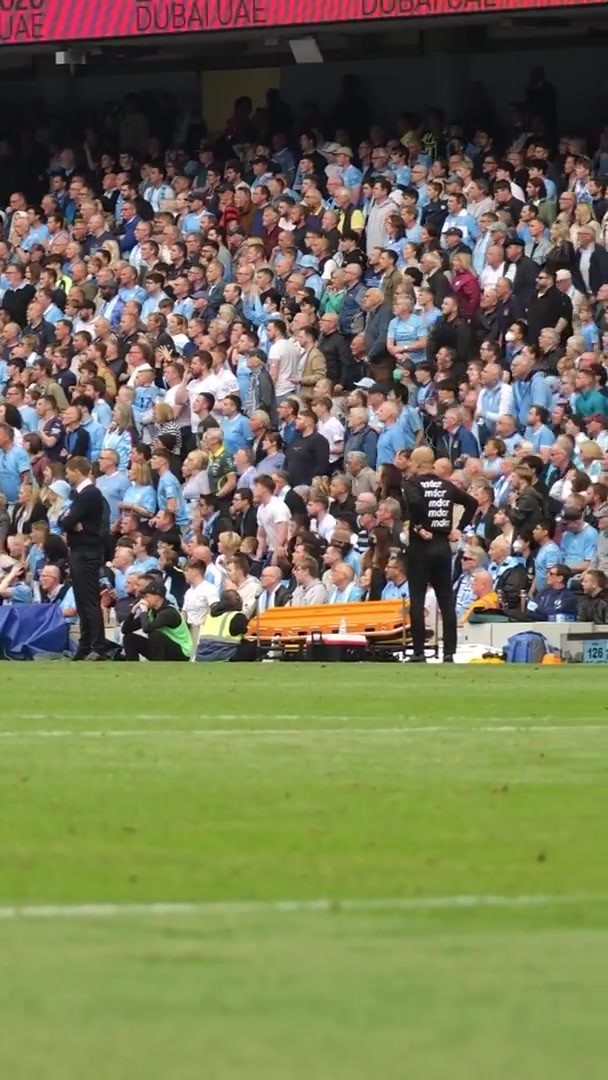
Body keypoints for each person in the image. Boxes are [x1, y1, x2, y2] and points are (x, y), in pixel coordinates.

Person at [401, 445, 477, 661]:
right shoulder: (446, 485)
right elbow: (471, 503)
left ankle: (418, 652)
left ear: (416, 463)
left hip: (421, 546)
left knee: (417, 599)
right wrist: (458, 528)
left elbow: (414, 502)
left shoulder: (412, 483)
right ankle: (449, 652)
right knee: (446, 599)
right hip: (442, 545)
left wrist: (418, 526)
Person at [58, 456, 108, 661]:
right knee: (81, 599)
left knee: (89, 600)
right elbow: (64, 520)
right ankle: (85, 644)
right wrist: (70, 522)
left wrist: (71, 522)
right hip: (79, 551)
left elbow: (67, 520)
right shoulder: (82, 494)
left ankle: (98, 645)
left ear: (77, 471)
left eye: (68, 472)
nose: (67, 476)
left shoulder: (90, 494)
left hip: (87, 552)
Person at [122, 580, 193, 661]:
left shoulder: (169, 612)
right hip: (162, 649)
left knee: (155, 634)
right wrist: (132, 612)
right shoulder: (151, 612)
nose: (145, 599)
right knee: (129, 638)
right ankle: (132, 666)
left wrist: (144, 611)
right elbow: (125, 630)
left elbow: (147, 628)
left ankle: (158, 665)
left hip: (181, 652)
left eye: (147, 596)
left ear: (157, 597)